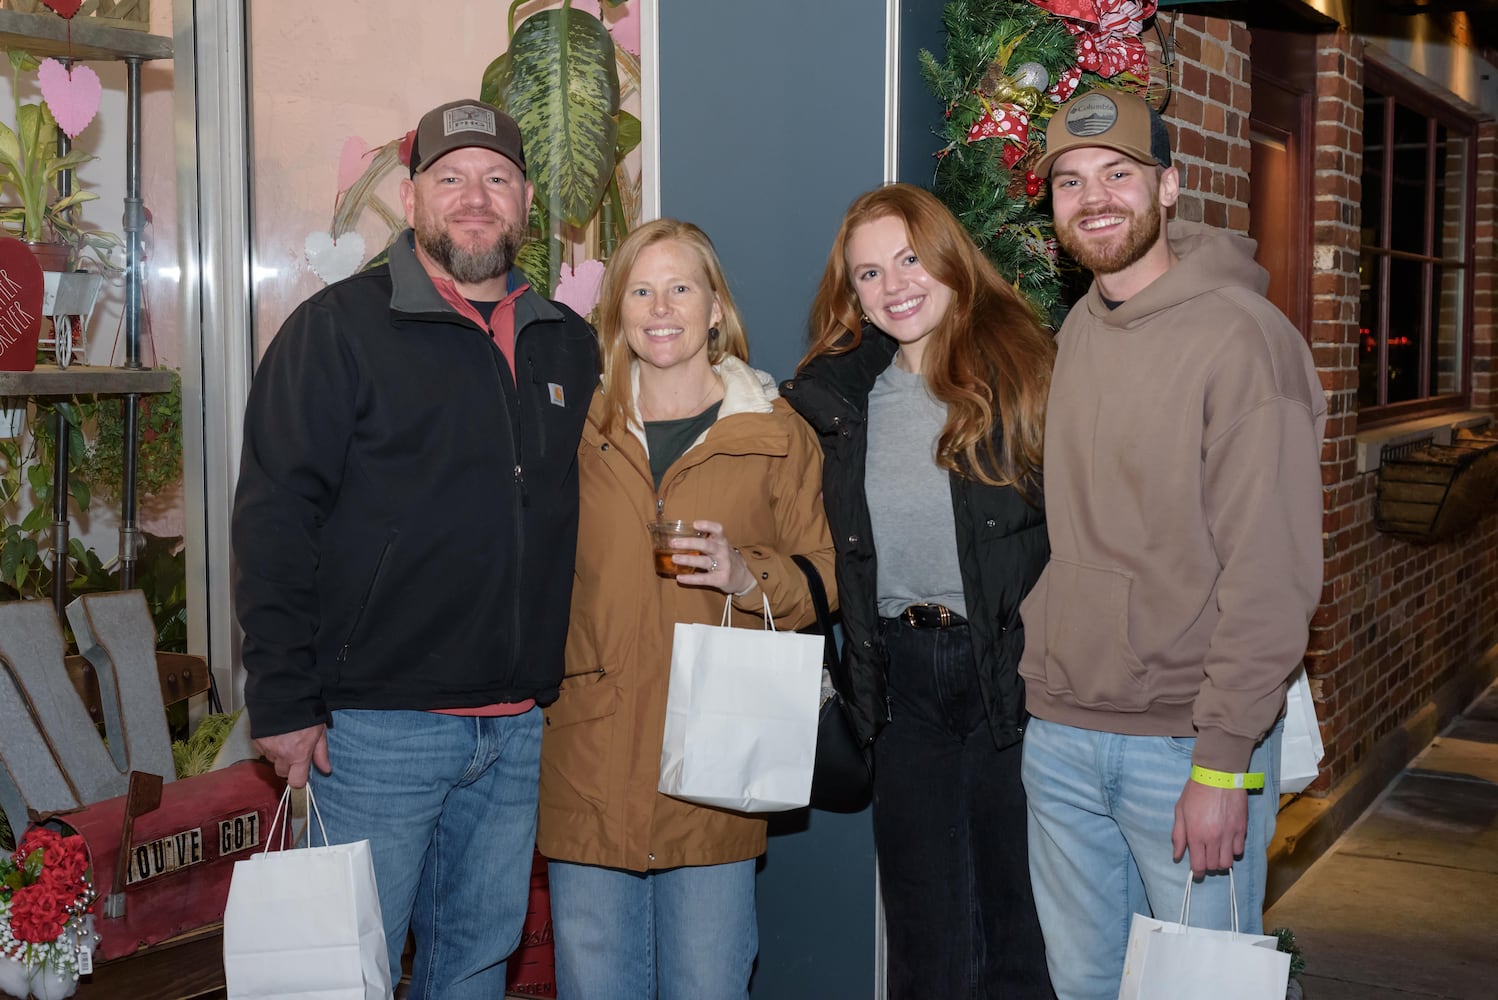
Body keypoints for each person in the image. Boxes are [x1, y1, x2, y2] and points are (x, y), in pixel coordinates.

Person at [231, 99, 598, 998]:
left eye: (497, 178)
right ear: (410, 197)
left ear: (525, 201)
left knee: (473, 965)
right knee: (340, 977)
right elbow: (275, 517)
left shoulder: (569, 344)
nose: (475, 198)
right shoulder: (335, 332)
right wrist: (283, 699)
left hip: (514, 732)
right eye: (451, 179)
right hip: (374, 735)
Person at [1019, 87, 1326, 999]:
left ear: (1171, 187)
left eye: (1119, 173)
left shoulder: (1243, 342)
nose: (1094, 198)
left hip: (1184, 744)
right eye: (1070, 182)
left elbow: (1270, 575)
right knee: (1082, 985)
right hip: (1065, 731)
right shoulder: (1078, 329)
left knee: (1201, 989)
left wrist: (1223, 760)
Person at [536, 218, 836, 1000]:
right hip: (589, 757)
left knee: (708, 984)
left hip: (716, 760)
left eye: (680, 287)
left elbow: (827, 576)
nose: (659, 307)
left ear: (714, 308)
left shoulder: (776, 437)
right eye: (640, 289)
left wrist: (748, 575)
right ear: (617, 311)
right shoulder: (574, 429)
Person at [782, 183, 1056, 998]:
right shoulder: (839, 402)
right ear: (851, 294)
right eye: (867, 273)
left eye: (908, 259)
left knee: (1022, 923)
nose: (894, 285)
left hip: (1011, 672)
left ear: (949, 260)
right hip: (901, 682)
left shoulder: (1029, 378)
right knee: (925, 933)